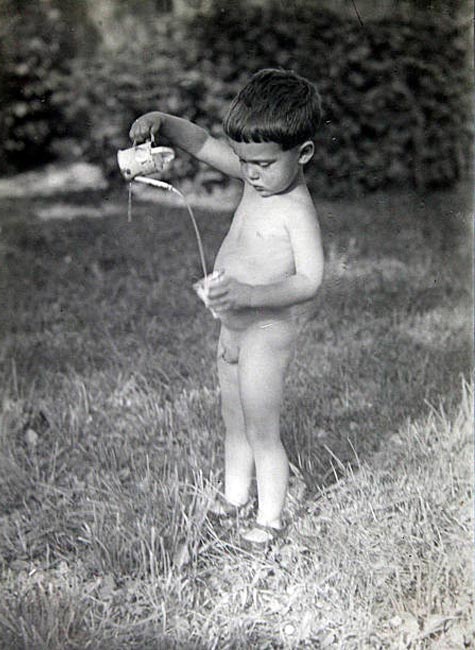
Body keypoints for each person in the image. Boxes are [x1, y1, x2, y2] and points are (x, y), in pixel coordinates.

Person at [129, 68, 324, 544]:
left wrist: (251, 296)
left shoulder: (295, 208)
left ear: (302, 154)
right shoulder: (257, 175)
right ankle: (236, 497)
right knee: (232, 420)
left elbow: (311, 279)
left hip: (265, 331)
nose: (250, 173)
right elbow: (201, 143)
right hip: (232, 327)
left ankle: (270, 519)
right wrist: (163, 122)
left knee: (261, 428)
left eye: (262, 163)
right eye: (244, 161)